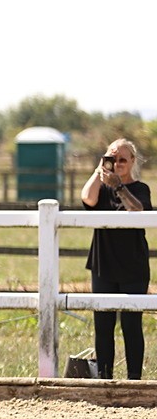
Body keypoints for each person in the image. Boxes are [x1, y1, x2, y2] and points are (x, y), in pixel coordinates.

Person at [80, 138, 151, 380]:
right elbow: (87, 198)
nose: (117, 163)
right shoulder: (101, 190)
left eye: (122, 159)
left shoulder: (140, 189)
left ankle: (134, 380)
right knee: (103, 326)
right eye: (113, 158)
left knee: (131, 325)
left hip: (133, 266)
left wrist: (119, 186)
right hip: (103, 264)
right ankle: (104, 379)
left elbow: (138, 210)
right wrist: (99, 170)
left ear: (132, 161)